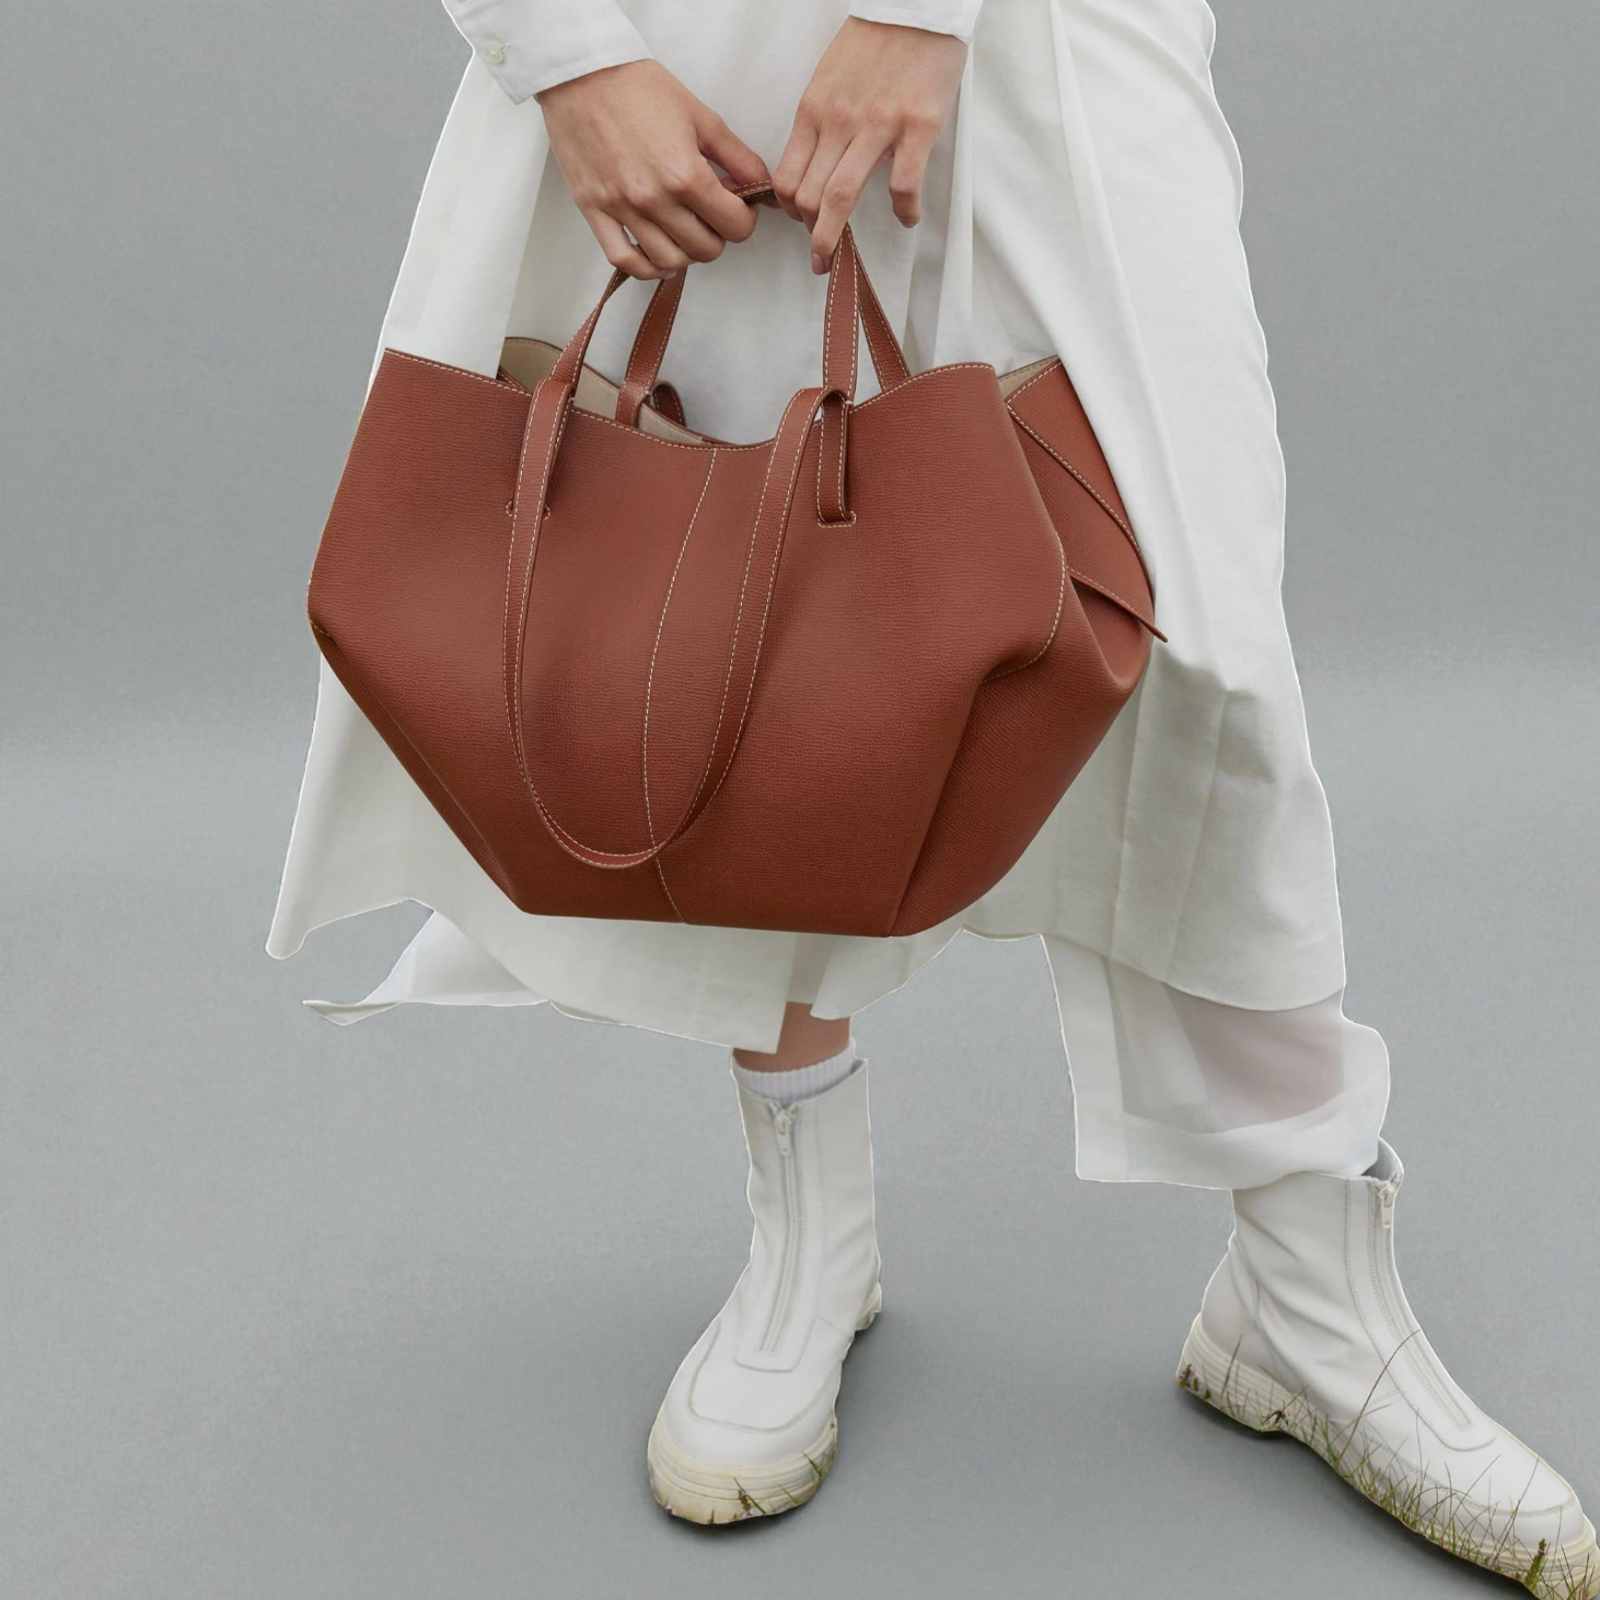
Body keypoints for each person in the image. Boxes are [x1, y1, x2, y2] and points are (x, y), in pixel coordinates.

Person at [267, 1, 1596, 1591]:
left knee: (1203, 649)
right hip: (678, 35)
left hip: (1043, 37)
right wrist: (563, 51)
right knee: (747, 654)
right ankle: (809, 1242)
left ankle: (1308, 1289)